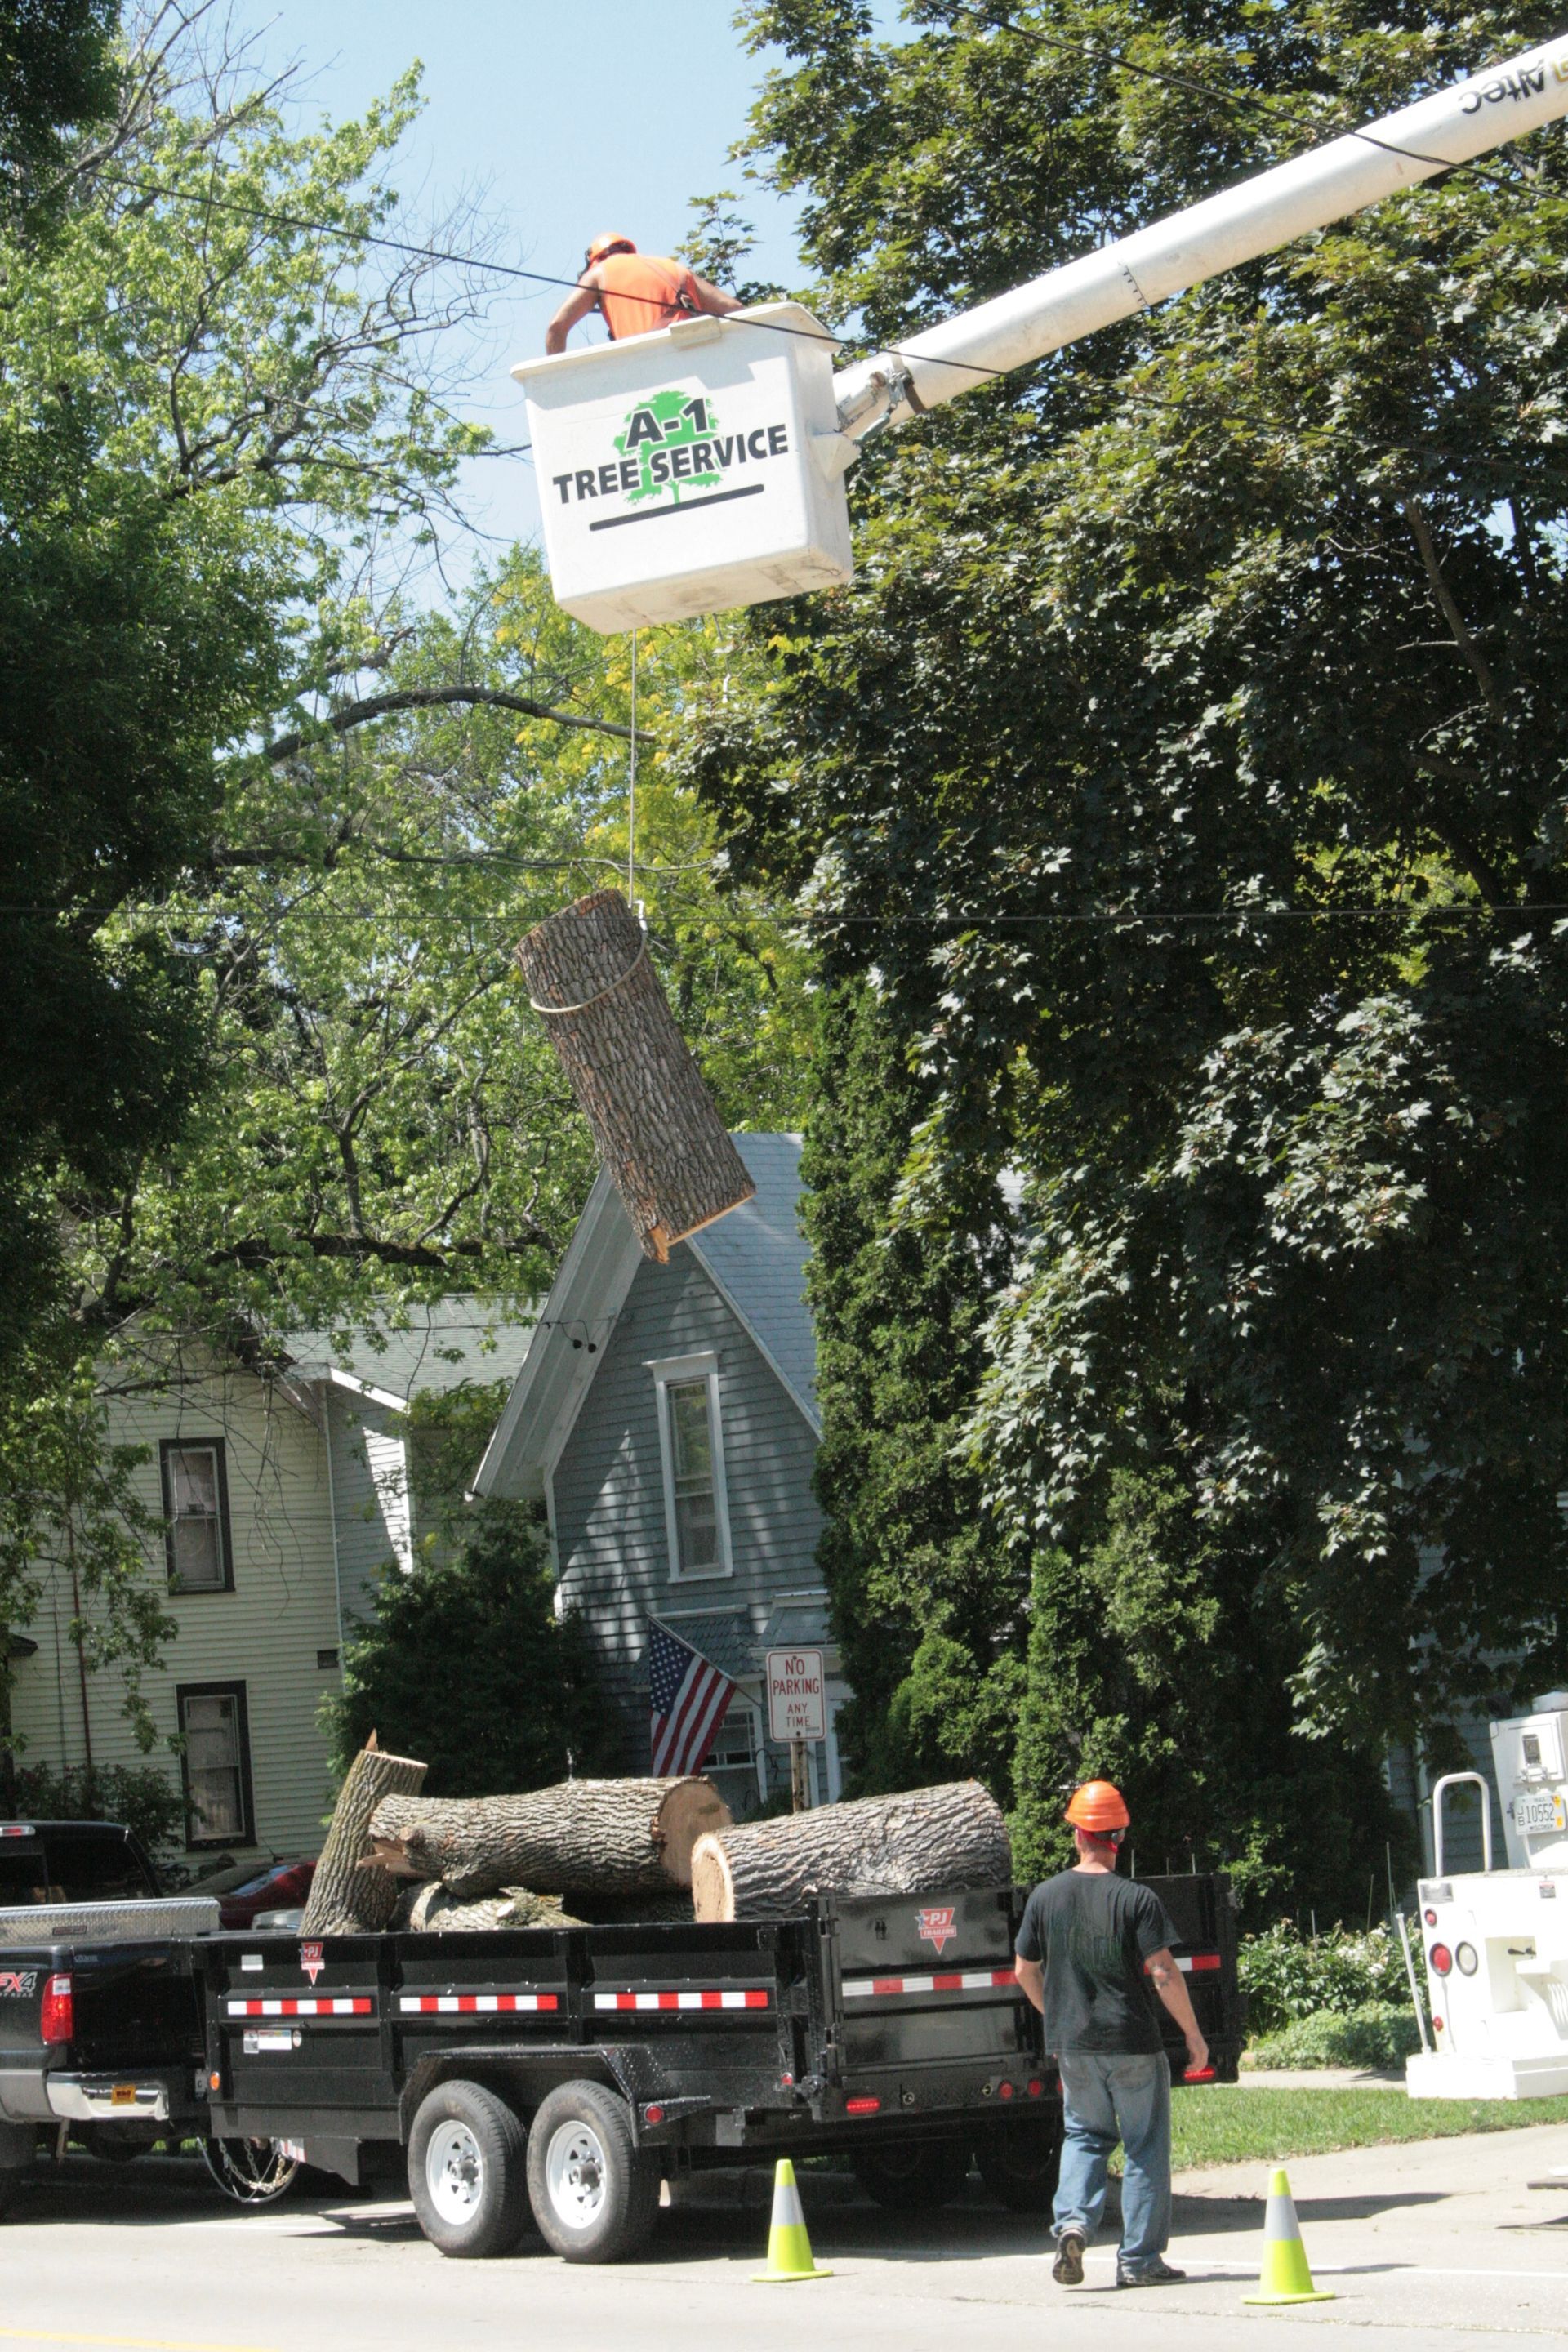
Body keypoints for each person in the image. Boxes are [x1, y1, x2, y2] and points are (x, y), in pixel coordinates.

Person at [1013, 1779, 1209, 2289]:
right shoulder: (1137, 1899)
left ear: (1078, 1835)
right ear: (1118, 1838)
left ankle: (1074, 2223)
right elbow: (1163, 1972)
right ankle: (1140, 2261)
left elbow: (1023, 1969)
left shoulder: (1045, 1896)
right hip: (1134, 2045)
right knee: (1144, 2148)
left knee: (1084, 2135)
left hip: (1073, 2046)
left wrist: (1054, 2014)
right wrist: (1193, 2035)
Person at [545, 233, 741, 354]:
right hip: (700, 356)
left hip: (650, 363)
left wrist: (558, 382)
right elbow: (735, 309)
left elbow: (556, 328)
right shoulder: (675, 268)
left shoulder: (599, 272)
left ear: (595, 261)